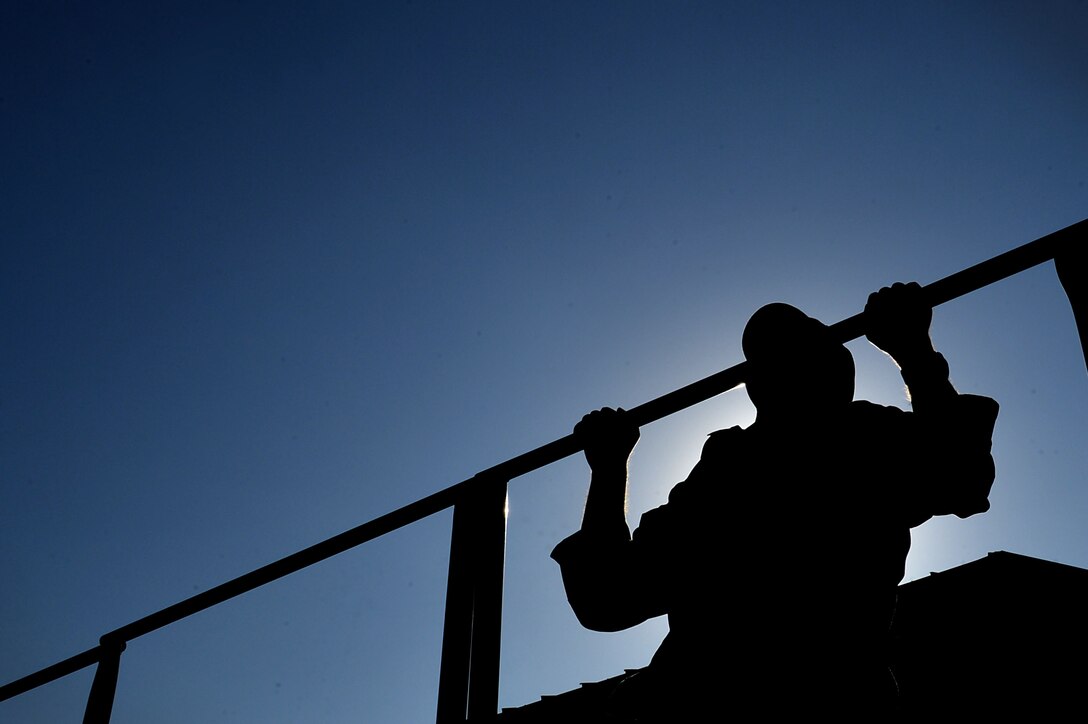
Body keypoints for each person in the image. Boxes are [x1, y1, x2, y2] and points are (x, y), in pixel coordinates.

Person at [551, 282, 999, 720]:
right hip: (734, 709)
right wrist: (912, 349)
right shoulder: (733, 471)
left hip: (766, 706)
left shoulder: (850, 442)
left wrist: (608, 469)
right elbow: (610, 598)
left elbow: (961, 478)